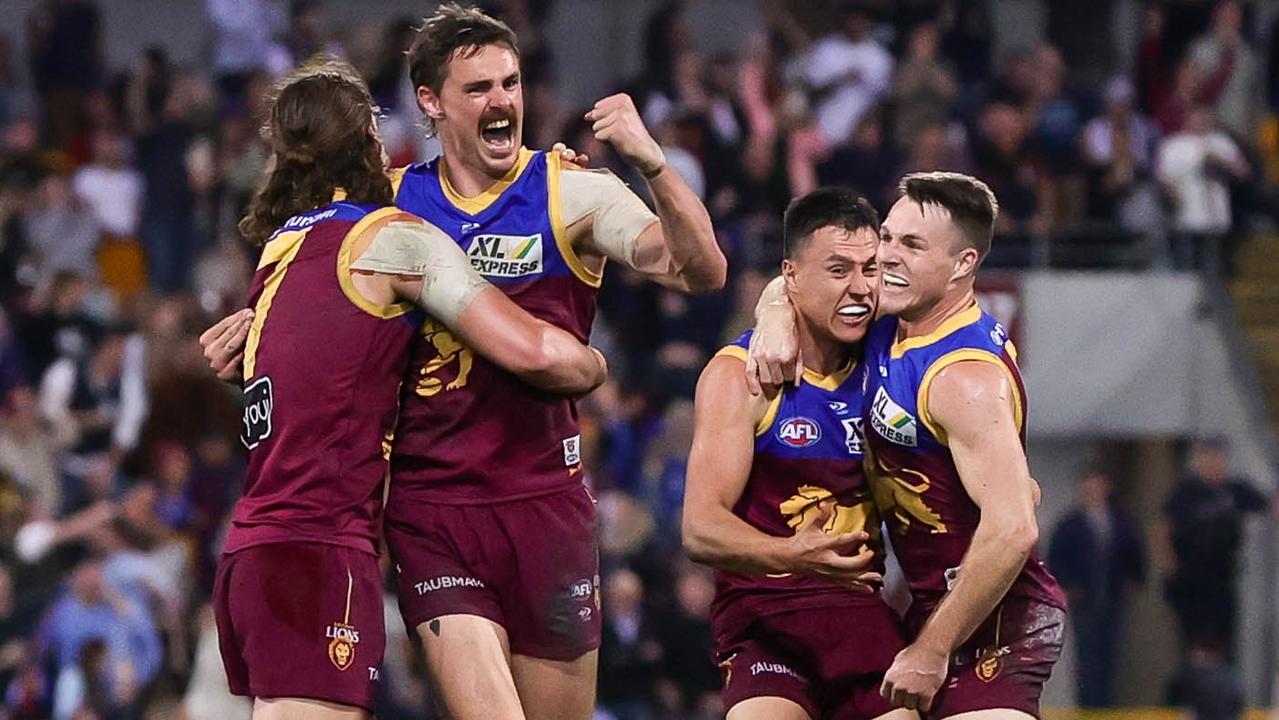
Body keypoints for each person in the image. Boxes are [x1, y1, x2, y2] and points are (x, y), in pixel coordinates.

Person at [205, 5, 725, 718]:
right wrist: (254, 321)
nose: (501, 100)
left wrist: (652, 163)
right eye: (477, 88)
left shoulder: (570, 192)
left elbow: (701, 271)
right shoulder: (388, 203)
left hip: (546, 505)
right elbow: (321, 278)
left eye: (509, 83)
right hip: (434, 509)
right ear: (430, 102)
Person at [750, 173, 1066, 718]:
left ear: (964, 264)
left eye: (912, 246)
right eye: (888, 238)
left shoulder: (962, 378)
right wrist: (773, 313)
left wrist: (931, 650)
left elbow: (1014, 527)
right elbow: (799, 278)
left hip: (998, 621)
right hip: (928, 605)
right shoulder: (892, 321)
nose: (887, 258)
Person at [682, 188, 912, 720]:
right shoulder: (742, 376)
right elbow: (699, 528)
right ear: (791, 274)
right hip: (766, 617)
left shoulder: (889, 360)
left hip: (862, 615)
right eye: (837, 270)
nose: (859, 288)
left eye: (870, 269)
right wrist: (793, 555)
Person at [1161, 438, 1273, 661]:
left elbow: (1269, 506)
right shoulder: (1186, 491)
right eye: (1208, 457)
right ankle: (1196, 688)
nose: (1213, 462)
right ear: (1199, 460)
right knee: (1193, 640)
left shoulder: (1236, 490)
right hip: (1191, 578)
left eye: (1217, 457)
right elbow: (1164, 529)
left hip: (1223, 577)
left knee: (1223, 639)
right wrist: (1170, 565)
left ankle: (1220, 690)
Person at [1048, 467, 1146, 708]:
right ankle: (1088, 706)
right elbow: (1056, 558)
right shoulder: (1069, 525)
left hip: (1112, 598)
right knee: (1087, 656)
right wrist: (1066, 586)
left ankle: (1106, 706)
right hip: (1084, 599)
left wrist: (1132, 581)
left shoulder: (1121, 521)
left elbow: (1135, 554)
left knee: (1111, 655)